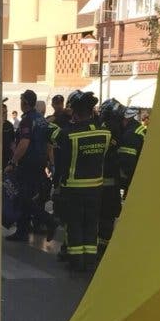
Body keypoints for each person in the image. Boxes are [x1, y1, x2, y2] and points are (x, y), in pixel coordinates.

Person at [53, 91, 109, 272]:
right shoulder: (105, 134)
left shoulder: (69, 135)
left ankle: (76, 261)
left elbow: (54, 141)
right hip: (96, 188)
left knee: (75, 225)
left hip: (74, 189)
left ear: (75, 113)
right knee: (92, 225)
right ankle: (90, 260)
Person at [5, 89, 56, 242]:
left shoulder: (27, 120)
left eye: (21, 100)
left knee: (22, 197)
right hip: (40, 162)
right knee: (27, 197)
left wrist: (12, 162)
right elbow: (48, 144)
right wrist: (50, 162)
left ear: (25, 102)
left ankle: (48, 220)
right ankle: (22, 231)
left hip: (28, 163)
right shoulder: (41, 119)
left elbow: (24, 143)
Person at [96, 99, 126, 254]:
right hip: (110, 182)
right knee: (107, 215)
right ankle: (104, 244)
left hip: (103, 181)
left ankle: (102, 244)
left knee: (104, 215)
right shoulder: (116, 128)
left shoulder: (107, 127)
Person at [117, 106, 146, 196]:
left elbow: (127, 161)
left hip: (133, 178)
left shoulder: (130, 134)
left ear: (126, 119)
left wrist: (125, 183)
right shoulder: (138, 128)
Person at [1, 103, 15, 168]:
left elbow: (12, 143)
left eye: (6, 112)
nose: (5, 114)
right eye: (3, 113)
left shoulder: (9, 126)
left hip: (7, 157)